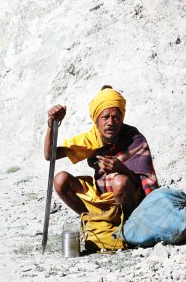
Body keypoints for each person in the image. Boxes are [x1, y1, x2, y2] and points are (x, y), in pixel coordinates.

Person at [44, 86, 158, 219]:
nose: (110, 122)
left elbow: (144, 182)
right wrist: (52, 123)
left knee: (120, 182)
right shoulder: (91, 139)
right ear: (96, 120)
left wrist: (122, 169)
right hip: (101, 196)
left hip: (129, 199)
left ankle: (128, 225)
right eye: (105, 117)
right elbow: (49, 155)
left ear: (122, 119)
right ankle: (91, 220)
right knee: (60, 180)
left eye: (116, 117)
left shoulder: (133, 138)